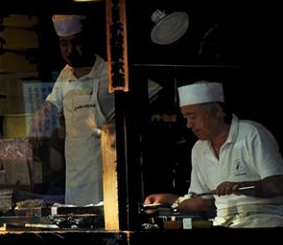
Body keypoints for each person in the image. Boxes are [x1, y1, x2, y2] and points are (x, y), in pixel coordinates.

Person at [144, 81, 283, 227]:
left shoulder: (251, 133)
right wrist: (170, 200)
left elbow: (277, 185)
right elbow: (205, 201)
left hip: (264, 220)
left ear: (216, 111)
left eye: (193, 117)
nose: (189, 124)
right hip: (223, 223)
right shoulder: (199, 149)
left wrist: (239, 187)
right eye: (186, 118)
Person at [30, 14, 115, 205]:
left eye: (75, 43)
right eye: (63, 44)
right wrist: (39, 118)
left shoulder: (109, 73)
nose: (70, 50)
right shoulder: (65, 74)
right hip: (75, 175)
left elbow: (152, 97)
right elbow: (52, 105)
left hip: (105, 173)